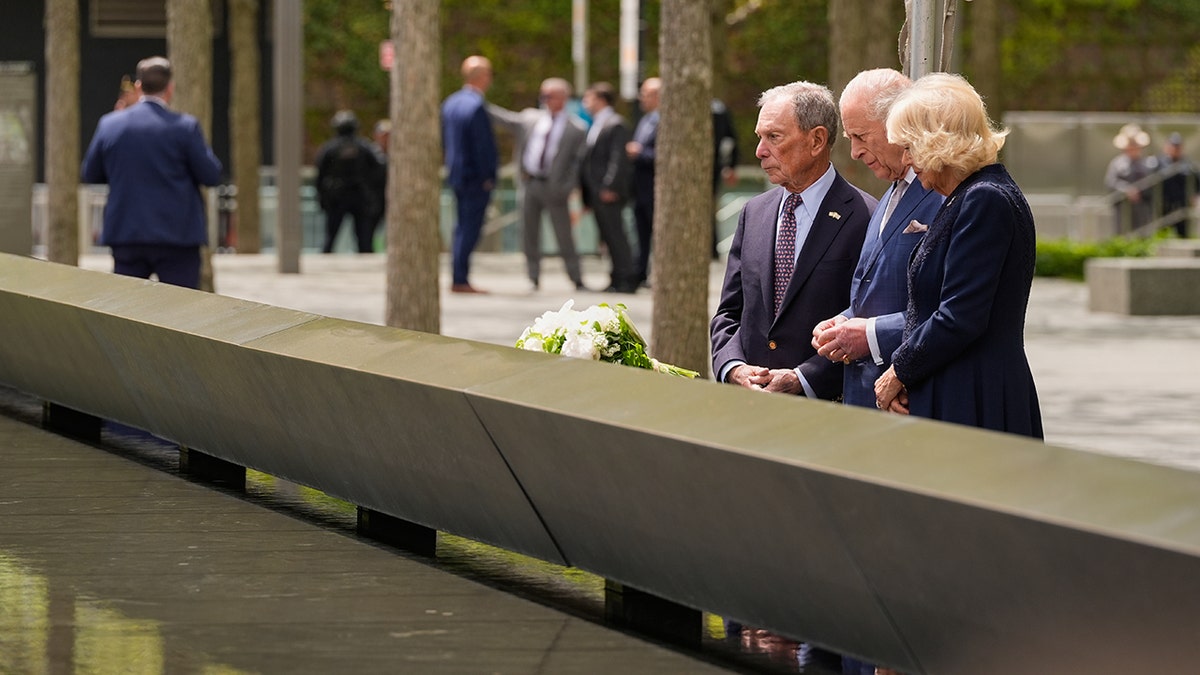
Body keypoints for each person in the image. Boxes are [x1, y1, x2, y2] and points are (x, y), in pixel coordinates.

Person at [873, 72, 1043, 439]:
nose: (906, 159)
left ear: (938, 142)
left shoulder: (985, 199)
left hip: (973, 397)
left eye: (910, 146)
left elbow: (960, 315)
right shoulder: (973, 195)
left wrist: (898, 371)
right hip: (963, 390)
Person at [710, 81, 876, 400]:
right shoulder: (753, 213)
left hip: (827, 412)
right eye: (760, 137)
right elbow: (730, 312)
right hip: (751, 406)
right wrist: (732, 366)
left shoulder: (866, 218)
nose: (760, 151)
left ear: (816, 140)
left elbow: (868, 321)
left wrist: (805, 378)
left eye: (774, 137)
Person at [811, 69, 945, 408]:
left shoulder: (945, 193)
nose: (854, 152)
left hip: (912, 397)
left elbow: (954, 309)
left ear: (898, 122)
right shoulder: (889, 193)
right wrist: (844, 321)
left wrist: (870, 335)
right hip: (867, 398)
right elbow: (878, 288)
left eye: (860, 136)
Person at [81, 56, 222, 290]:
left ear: (138, 87)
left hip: (127, 234)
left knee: (128, 311)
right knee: (180, 311)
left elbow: (90, 173)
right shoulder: (185, 127)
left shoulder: (110, 124)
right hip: (178, 236)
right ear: (170, 89)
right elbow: (211, 175)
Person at [489, 77, 589, 291]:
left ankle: (576, 277)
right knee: (528, 232)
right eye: (542, 95)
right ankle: (533, 276)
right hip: (530, 184)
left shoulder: (576, 128)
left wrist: (567, 187)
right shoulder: (530, 118)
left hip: (556, 189)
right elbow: (504, 119)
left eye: (549, 96)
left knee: (564, 235)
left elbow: (578, 164)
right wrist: (478, 100)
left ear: (563, 98)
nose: (544, 100)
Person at [442, 55, 499, 294]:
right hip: (475, 178)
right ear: (482, 77)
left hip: (457, 174)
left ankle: (458, 275)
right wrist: (488, 176)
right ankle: (460, 278)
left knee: (460, 227)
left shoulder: (451, 103)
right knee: (469, 228)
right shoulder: (475, 106)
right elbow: (482, 146)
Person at [580, 82, 638, 294]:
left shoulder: (616, 124)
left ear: (601, 100)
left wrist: (610, 186)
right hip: (595, 192)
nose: (586, 103)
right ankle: (616, 277)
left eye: (589, 98)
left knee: (616, 235)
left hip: (608, 192)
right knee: (607, 236)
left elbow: (617, 158)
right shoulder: (596, 123)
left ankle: (626, 277)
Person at [314, 110, 386, 254]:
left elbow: (320, 176)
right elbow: (378, 172)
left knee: (330, 238)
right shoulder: (364, 147)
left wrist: (322, 198)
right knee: (364, 241)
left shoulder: (329, 149)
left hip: (337, 198)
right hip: (358, 197)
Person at [627, 77, 661, 288]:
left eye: (646, 94)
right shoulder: (645, 119)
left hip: (655, 188)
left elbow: (667, 156)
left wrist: (641, 153)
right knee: (640, 232)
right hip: (639, 188)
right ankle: (639, 273)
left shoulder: (666, 120)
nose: (642, 98)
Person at [1146, 132, 1198, 238]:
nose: (1175, 149)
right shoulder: (1157, 164)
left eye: (1178, 146)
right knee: (1162, 233)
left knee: (1183, 234)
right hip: (1163, 205)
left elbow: (1197, 182)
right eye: (1173, 146)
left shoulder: (1188, 165)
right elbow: (1149, 182)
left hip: (1182, 205)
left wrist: (1196, 196)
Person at [1104, 123, 1153, 233]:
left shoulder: (1146, 164)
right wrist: (1126, 190)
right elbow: (1110, 181)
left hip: (1141, 205)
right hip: (1122, 206)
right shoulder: (1117, 163)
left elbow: (1151, 182)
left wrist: (1140, 191)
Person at [711, 98, 740, 258]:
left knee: (709, 207)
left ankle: (712, 249)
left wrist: (730, 166)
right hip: (716, 166)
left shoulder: (718, 109)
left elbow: (730, 139)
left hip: (713, 167)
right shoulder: (718, 108)